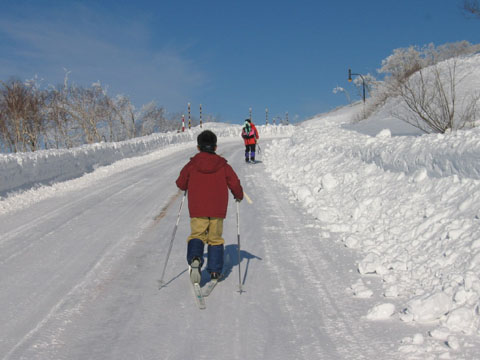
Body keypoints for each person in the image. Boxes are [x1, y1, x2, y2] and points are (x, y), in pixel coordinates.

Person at [176, 130, 244, 284]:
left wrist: (186, 183)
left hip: (197, 208)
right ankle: (214, 271)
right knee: (215, 239)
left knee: (197, 235)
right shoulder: (223, 165)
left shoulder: (192, 164)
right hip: (217, 210)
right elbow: (234, 182)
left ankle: (195, 258)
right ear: (215, 147)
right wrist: (238, 195)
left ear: (198, 147)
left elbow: (181, 183)